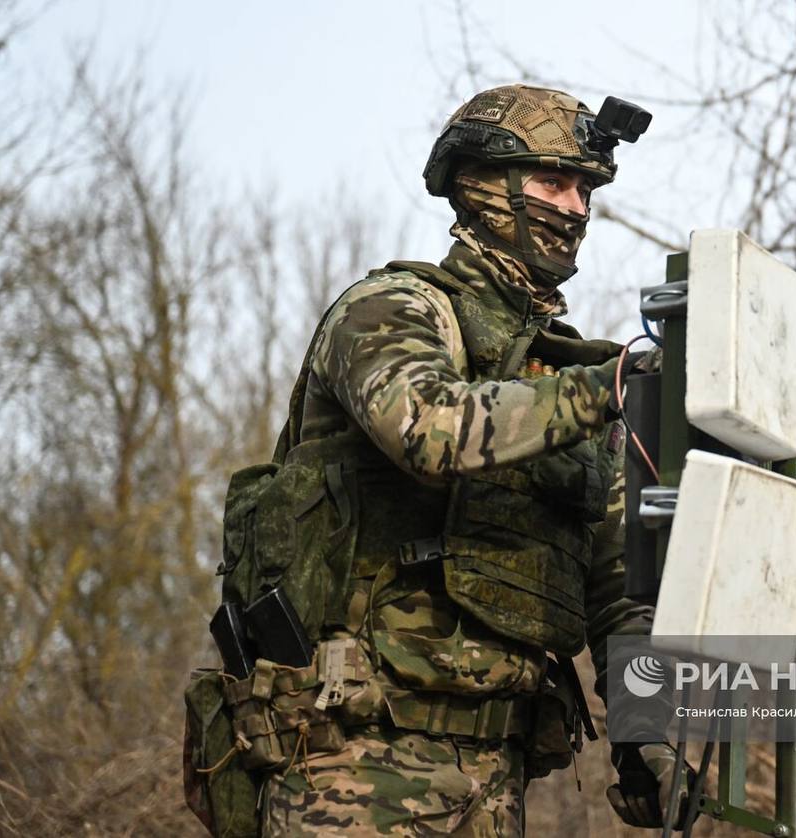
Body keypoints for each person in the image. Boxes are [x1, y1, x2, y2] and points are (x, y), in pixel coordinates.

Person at [247, 84, 686, 836]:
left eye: (585, 189)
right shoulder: (392, 309)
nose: (577, 209)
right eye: (555, 182)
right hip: (354, 761)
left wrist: (647, 737)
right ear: (484, 185)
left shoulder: (565, 377)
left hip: (495, 778)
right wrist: (607, 389)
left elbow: (617, 587)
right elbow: (428, 428)